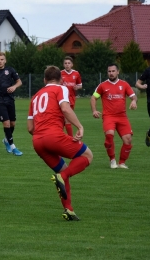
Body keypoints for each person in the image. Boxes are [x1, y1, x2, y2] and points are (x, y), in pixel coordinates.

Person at [27, 65, 93, 221]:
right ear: (61, 79)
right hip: (53, 136)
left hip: (37, 141)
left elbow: (30, 128)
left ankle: (68, 210)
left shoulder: (35, 96)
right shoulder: (60, 88)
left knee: (63, 170)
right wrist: (80, 126)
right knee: (88, 156)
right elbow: (65, 108)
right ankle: (62, 177)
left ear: (44, 80)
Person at [90, 64, 137, 169]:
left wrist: (134, 101)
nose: (111, 73)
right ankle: (112, 160)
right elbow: (93, 98)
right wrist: (94, 111)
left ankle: (122, 163)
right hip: (109, 116)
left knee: (128, 140)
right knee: (109, 135)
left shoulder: (124, 84)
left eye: (113, 71)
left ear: (118, 72)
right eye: (109, 71)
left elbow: (133, 96)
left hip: (122, 116)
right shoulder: (103, 86)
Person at [0, 52, 23, 155]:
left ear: (5, 61)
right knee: (6, 122)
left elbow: (19, 82)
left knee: (12, 123)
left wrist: (14, 87)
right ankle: (13, 147)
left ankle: (6, 140)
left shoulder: (10, 70)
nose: (0, 61)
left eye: (2, 59)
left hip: (9, 99)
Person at [61, 56, 82, 136]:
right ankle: (70, 138)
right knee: (66, 119)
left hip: (72, 99)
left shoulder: (76, 73)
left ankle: (60, 135)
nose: (67, 65)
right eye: (65, 63)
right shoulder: (60, 73)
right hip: (63, 99)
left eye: (69, 63)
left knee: (65, 119)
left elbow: (80, 85)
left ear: (72, 64)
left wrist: (77, 87)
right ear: (63, 65)